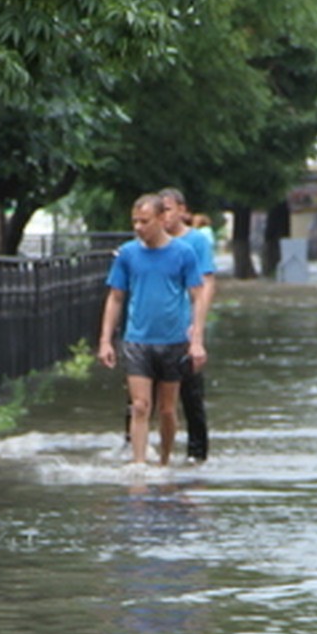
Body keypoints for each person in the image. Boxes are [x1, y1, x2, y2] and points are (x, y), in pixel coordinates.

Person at [98, 194, 207, 466]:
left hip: (173, 342)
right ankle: (139, 465)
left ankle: (165, 462)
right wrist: (105, 340)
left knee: (167, 410)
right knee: (140, 405)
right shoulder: (127, 254)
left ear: (161, 219)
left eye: (144, 221)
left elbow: (198, 295)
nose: (138, 227)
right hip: (137, 340)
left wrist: (197, 340)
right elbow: (115, 297)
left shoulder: (183, 253)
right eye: (134, 221)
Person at [159, 187, 216, 462]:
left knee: (191, 394)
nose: (164, 216)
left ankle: (197, 454)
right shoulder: (150, 241)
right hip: (153, 329)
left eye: (168, 209)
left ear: (182, 210)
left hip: (185, 326)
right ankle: (138, 448)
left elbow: (206, 284)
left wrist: (198, 329)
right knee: (140, 396)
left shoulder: (196, 243)